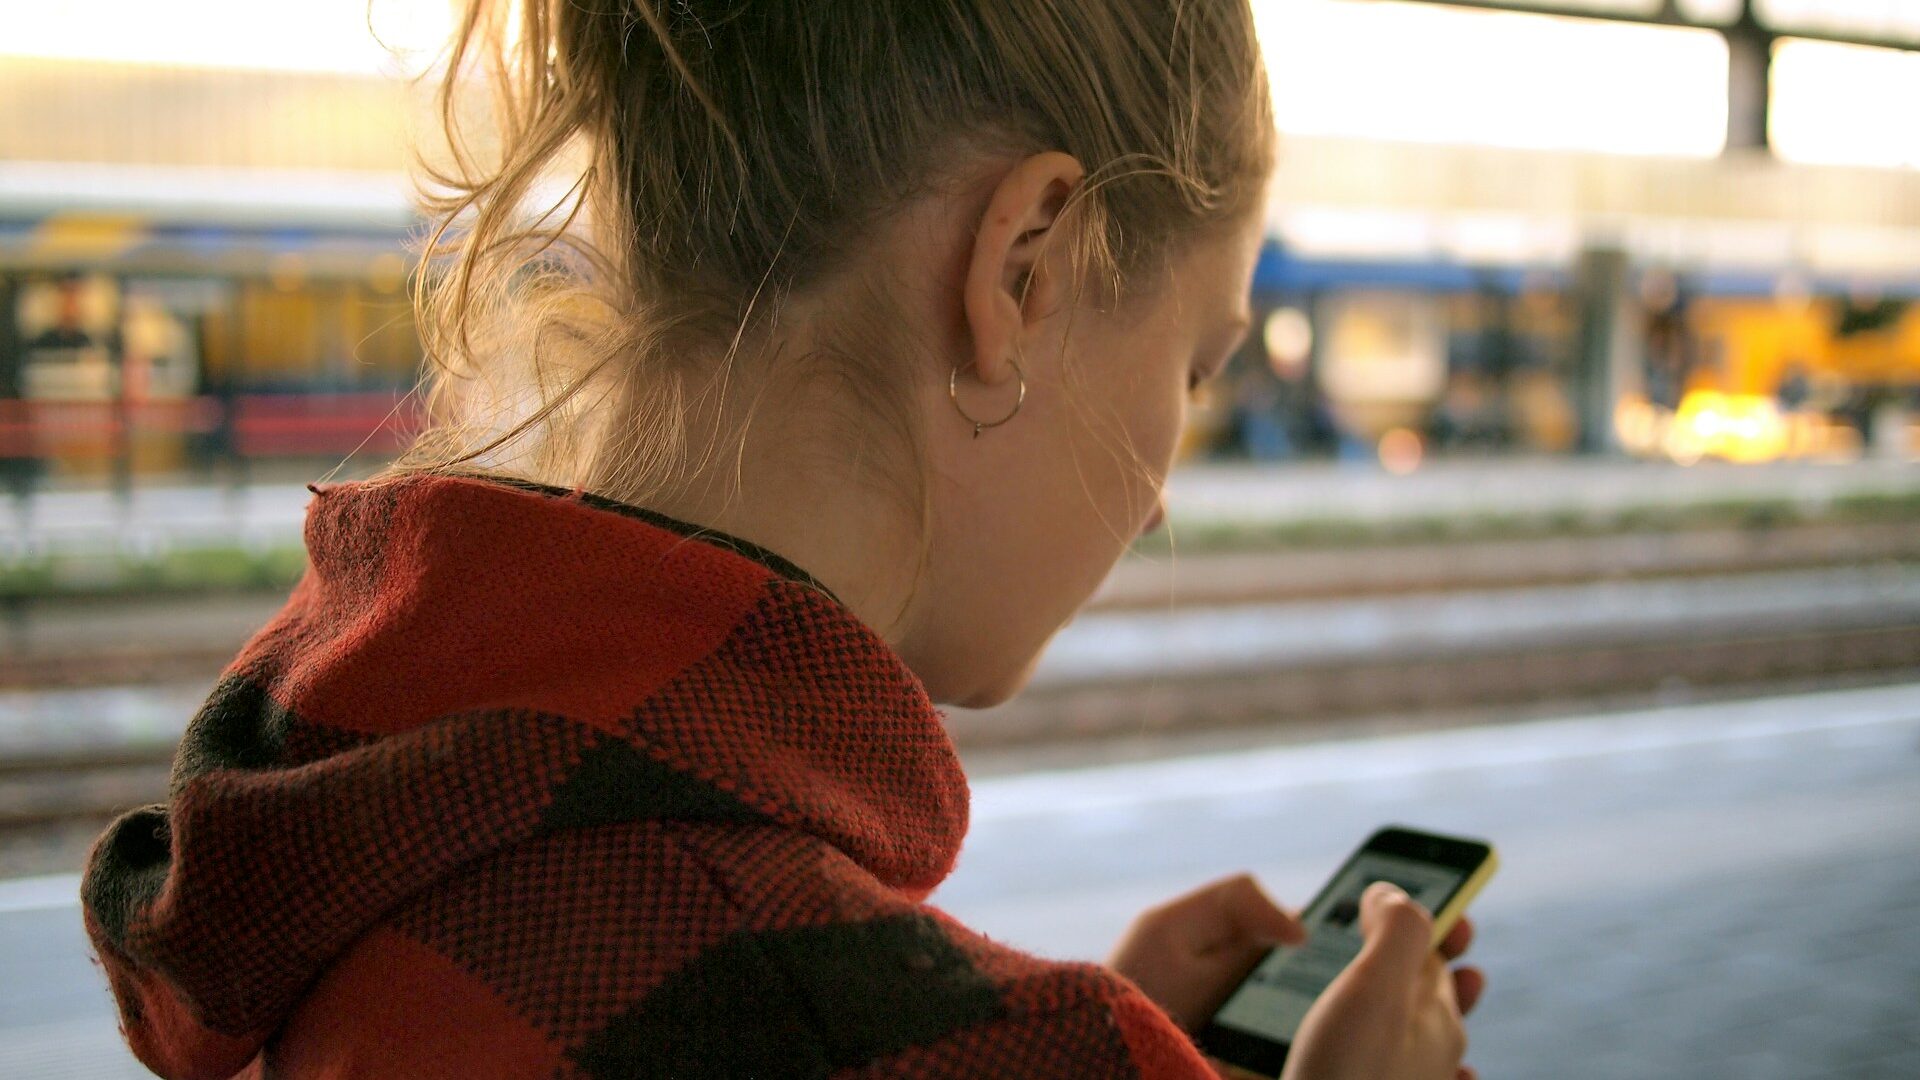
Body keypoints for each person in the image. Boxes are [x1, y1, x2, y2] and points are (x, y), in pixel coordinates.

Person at [80, 1, 1483, 1076]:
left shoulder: (347, 816)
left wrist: (990, 1011)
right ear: (1025, 268)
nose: (1164, 484)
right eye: (1194, 363)